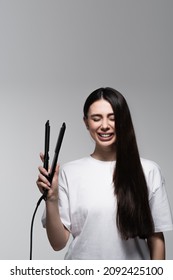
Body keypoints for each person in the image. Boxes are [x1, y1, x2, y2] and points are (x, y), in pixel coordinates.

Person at [37, 87, 173, 260]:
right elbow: (58, 243)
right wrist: (51, 198)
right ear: (86, 122)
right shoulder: (68, 173)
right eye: (96, 118)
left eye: (112, 118)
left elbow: (156, 238)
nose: (105, 126)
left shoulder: (148, 171)